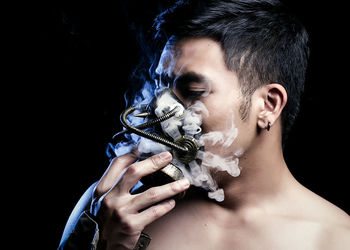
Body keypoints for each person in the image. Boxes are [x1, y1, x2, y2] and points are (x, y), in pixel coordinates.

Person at [58, 0, 350, 249]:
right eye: (162, 88)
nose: (162, 108)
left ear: (269, 105)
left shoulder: (336, 239)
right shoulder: (113, 208)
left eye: (194, 91)